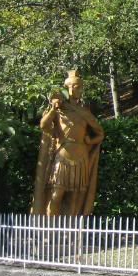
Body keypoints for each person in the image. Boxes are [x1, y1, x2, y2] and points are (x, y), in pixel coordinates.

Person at [32, 70, 104, 216]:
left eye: (81, 87)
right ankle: (49, 226)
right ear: (69, 88)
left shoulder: (85, 112)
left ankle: (70, 228)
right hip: (63, 154)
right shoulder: (59, 109)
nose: (80, 90)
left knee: (74, 197)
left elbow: (100, 134)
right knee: (56, 194)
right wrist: (53, 109)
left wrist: (90, 140)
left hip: (81, 157)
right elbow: (44, 125)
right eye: (78, 87)